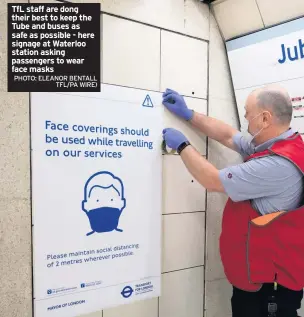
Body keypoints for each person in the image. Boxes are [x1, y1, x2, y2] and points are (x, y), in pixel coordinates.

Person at [162, 86, 304, 317]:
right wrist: (189, 115)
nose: (246, 118)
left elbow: (212, 180)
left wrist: (182, 146)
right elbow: (229, 135)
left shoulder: (277, 165)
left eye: (248, 113)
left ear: (265, 118)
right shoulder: (279, 145)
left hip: (269, 289)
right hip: (259, 280)